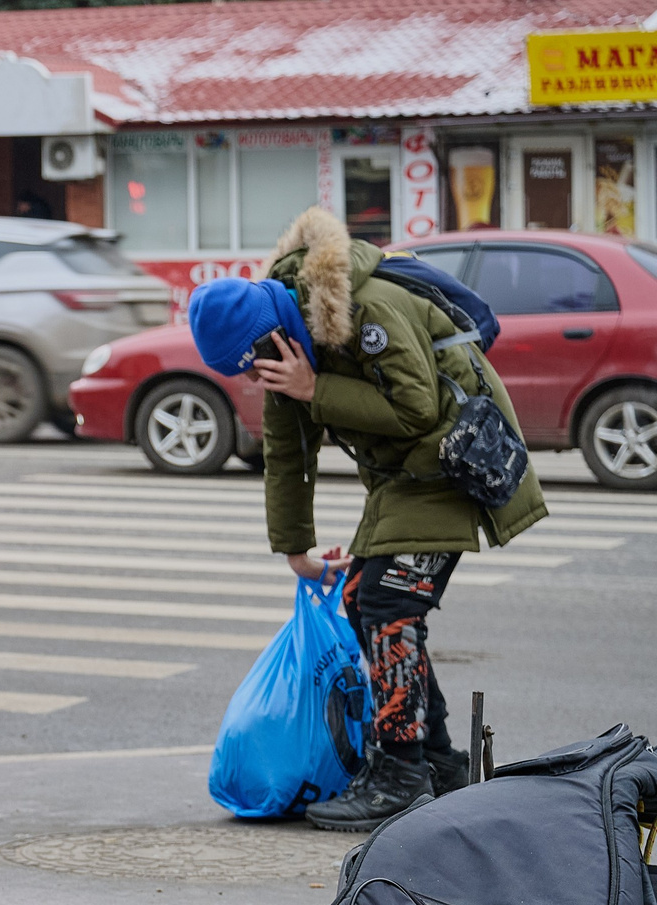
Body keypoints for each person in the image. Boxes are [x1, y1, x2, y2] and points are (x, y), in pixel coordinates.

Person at [189, 205, 546, 830]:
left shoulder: (366, 307)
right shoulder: (288, 346)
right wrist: (296, 550)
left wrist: (314, 389)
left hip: (455, 461)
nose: (255, 376)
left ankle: (400, 771)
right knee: (364, 599)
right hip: (405, 478)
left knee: (387, 602)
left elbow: (416, 408)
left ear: (268, 331)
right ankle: (439, 763)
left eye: (252, 363)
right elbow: (286, 451)